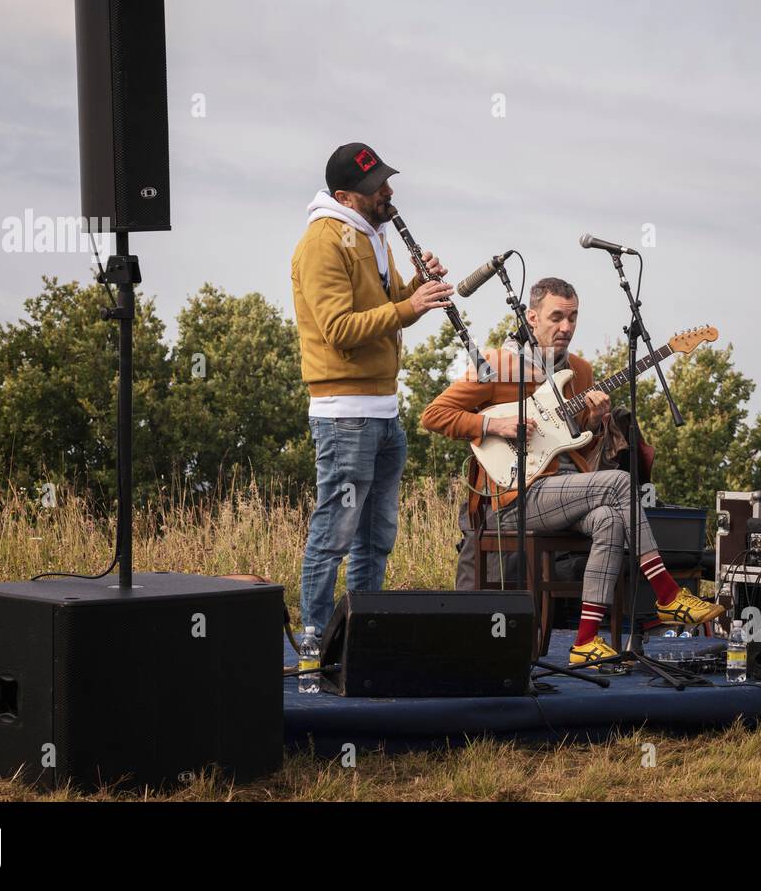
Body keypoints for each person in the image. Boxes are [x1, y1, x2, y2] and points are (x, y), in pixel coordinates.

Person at [420, 276, 724, 669]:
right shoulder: (496, 365)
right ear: (531, 317)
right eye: (556, 317)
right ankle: (668, 595)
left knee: (610, 519)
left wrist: (596, 422)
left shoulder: (580, 370)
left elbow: (583, 447)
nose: (566, 327)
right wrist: (494, 426)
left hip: (567, 494)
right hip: (514, 497)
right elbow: (434, 415)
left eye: (573, 318)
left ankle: (584, 642)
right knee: (619, 484)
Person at [291, 142, 452, 634]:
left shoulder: (372, 235)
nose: (388, 191)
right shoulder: (324, 242)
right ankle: (314, 641)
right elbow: (340, 328)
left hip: (383, 410)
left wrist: (415, 288)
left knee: (376, 536)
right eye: (375, 186)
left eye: (385, 179)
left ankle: (359, 634)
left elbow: (385, 304)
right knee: (333, 535)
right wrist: (412, 306)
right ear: (345, 195)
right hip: (345, 414)